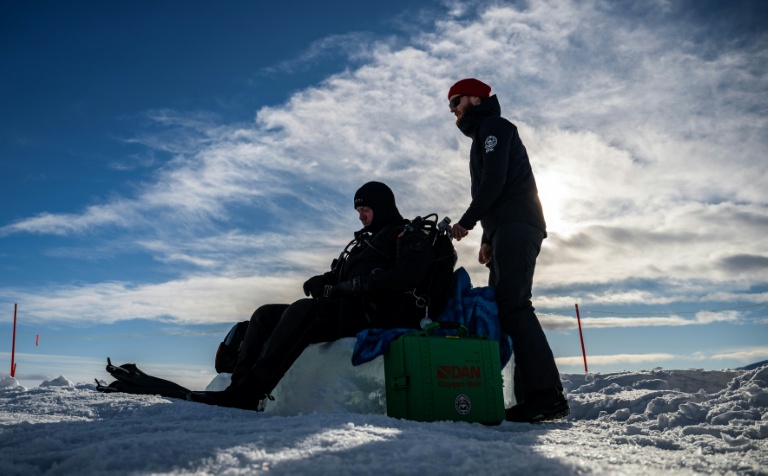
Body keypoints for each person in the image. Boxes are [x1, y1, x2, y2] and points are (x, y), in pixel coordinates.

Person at [188, 181, 452, 411]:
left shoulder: (408, 235)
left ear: (382, 206)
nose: (361, 216)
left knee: (304, 311)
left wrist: (361, 285)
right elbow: (339, 278)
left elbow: (410, 274)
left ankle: (249, 393)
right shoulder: (366, 242)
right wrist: (321, 281)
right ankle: (238, 387)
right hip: (348, 307)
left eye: (365, 210)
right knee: (265, 314)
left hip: (380, 313)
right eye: (358, 211)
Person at [446, 78, 569, 422]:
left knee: (514, 305)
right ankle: (533, 398)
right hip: (506, 229)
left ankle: (547, 395)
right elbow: (494, 193)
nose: (452, 109)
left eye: (455, 100)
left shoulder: (495, 127)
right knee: (507, 307)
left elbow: (495, 181)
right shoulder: (481, 135)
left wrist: (467, 222)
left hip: (519, 225)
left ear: (475, 97)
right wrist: (487, 237)